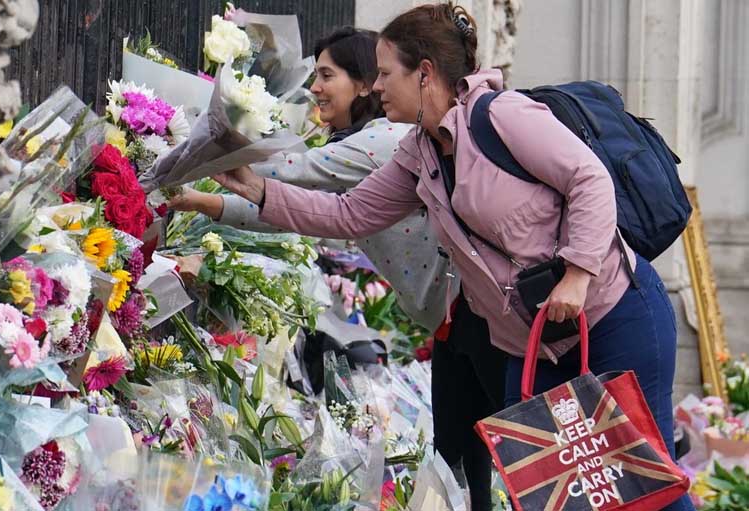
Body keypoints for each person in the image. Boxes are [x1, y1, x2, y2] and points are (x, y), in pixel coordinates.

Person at [211, 4, 693, 511]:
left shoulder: (502, 115)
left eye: (385, 73)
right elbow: (348, 215)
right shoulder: (419, 151)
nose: (376, 87)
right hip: (532, 346)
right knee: (555, 494)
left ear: (424, 74)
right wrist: (257, 189)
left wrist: (577, 275)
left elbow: (589, 179)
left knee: (643, 483)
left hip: (612, 318)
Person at [169, 26, 504, 510]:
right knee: (461, 465)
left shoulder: (387, 141)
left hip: (476, 319)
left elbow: (298, 175)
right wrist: (202, 201)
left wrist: (188, 153)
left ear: (367, 83)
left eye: (327, 75)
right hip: (455, 322)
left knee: (495, 455)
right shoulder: (375, 143)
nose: (315, 87)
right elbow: (308, 212)